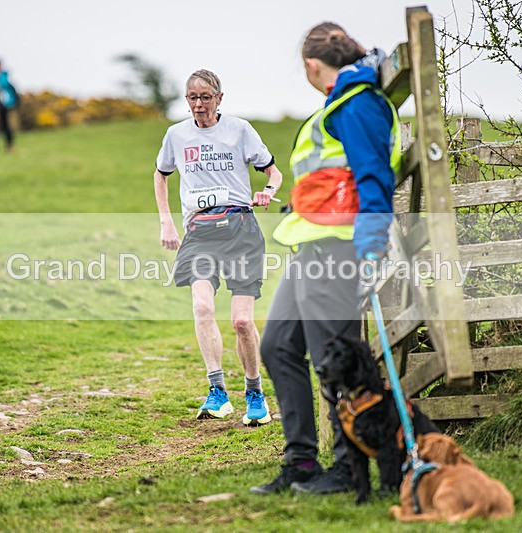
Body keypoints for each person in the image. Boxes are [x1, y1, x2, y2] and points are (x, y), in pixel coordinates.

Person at [250, 23, 401, 495]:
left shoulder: (357, 103)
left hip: (339, 249)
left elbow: (373, 173)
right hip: (311, 247)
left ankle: (345, 468)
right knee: (276, 345)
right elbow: (332, 177)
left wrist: (372, 237)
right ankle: (301, 463)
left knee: (331, 358)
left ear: (313, 66)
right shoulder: (341, 103)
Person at [154, 69, 283, 426]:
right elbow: (161, 174)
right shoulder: (176, 135)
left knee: (242, 321)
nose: (198, 104)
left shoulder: (240, 130)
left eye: (205, 97)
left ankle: (254, 393)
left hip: (240, 229)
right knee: (201, 306)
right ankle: (218, 393)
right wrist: (166, 221)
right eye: (192, 98)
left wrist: (267, 192)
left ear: (219, 98)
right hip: (199, 232)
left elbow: (274, 173)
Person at [0, 60, 18, 152]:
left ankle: (9, 144)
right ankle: (8, 145)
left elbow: (3, 87)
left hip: (4, 104)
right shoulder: (1, 76)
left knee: (5, 125)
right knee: (3, 125)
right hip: (1, 104)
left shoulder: (1, 77)